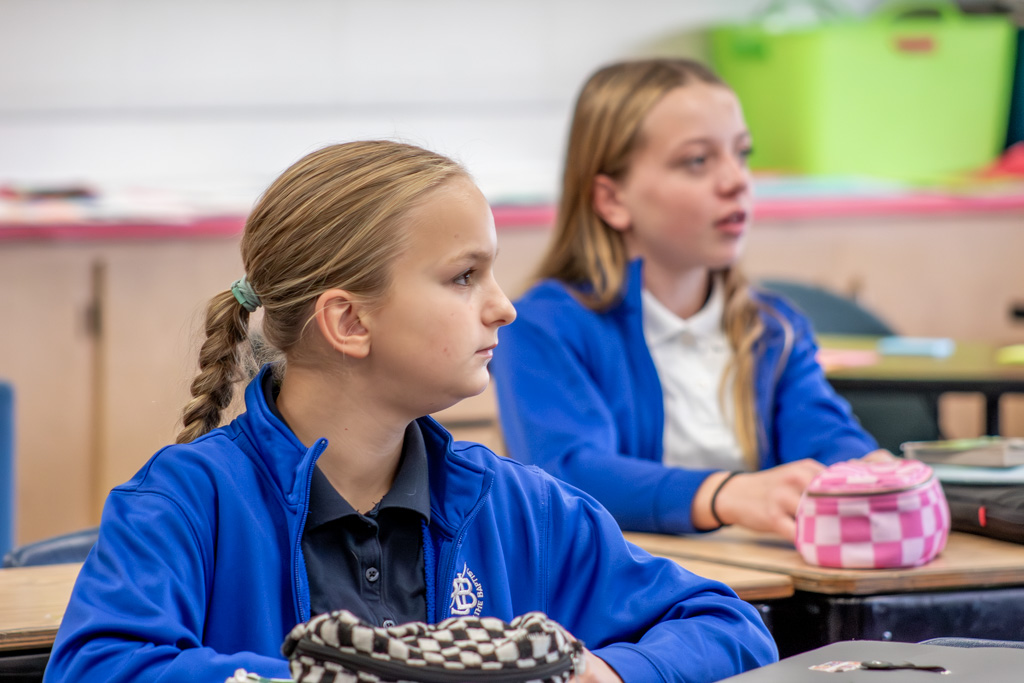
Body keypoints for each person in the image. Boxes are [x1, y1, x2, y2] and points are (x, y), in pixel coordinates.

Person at [43, 140, 776, 683]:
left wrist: (609, 673)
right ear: (349, 321)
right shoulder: (181, 501)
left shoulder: (519, 507)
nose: (504, 306)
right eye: (464, 276)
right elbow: (98, 667)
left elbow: (728, 626)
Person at [490, 59, 888, 542]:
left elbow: (824, 434)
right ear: (612, 199)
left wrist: (869, 471)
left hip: (761, 578)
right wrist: (725, 495)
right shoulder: (541, 327)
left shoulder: (774, 326)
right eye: (697, 161)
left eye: (742, 153)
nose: (737, 181)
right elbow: (570, 473)